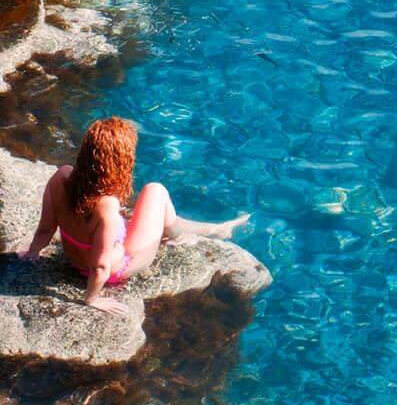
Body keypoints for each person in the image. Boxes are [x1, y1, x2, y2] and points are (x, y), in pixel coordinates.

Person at [19, 117, 249, 316]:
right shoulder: (106, 207)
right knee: (155, 191)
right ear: (121, 162)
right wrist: (92, 299)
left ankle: (209, 229)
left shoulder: (61, 177)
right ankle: (186, 235)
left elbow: (45, 228)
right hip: (116, 270)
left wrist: (32, 253)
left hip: (76, 260)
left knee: (147, 200)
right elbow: (100, 266)